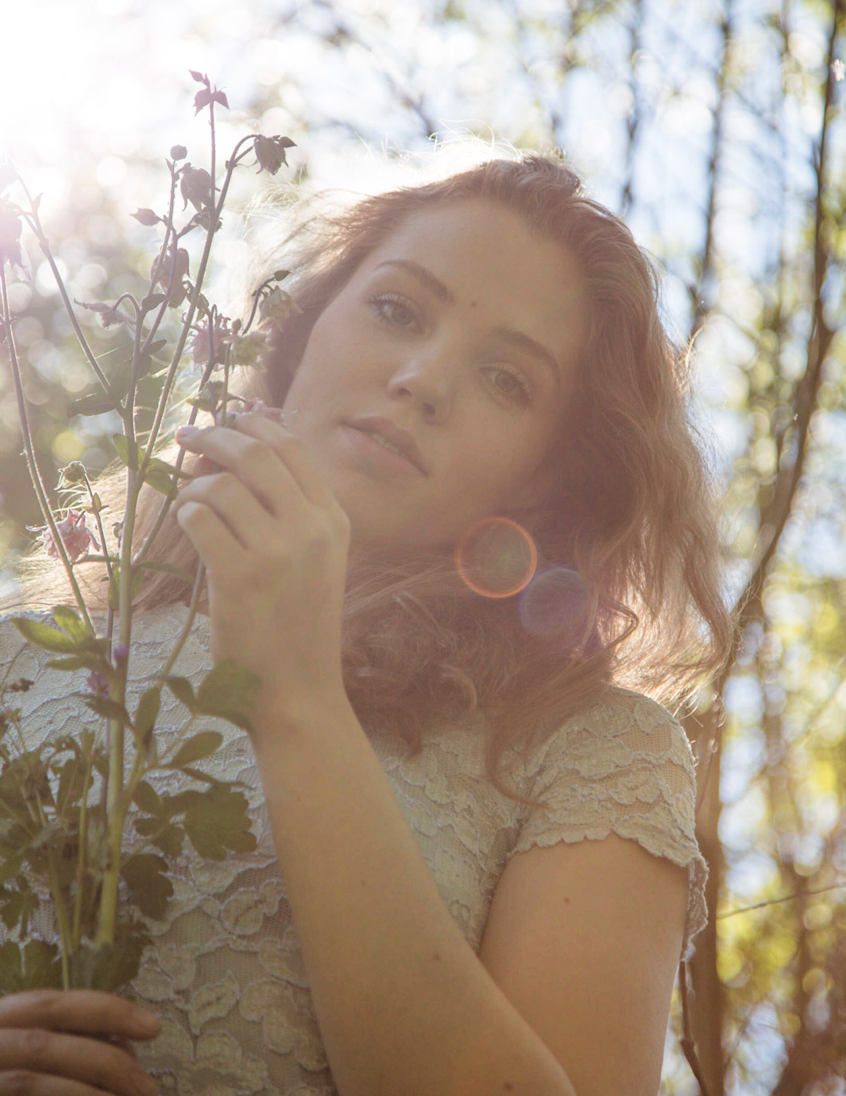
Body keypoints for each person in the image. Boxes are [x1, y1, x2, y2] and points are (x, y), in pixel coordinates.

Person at [0, 147, 732, 1096]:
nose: (424, 378)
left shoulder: (592, 751)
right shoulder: (20, 659)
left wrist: (296, 700)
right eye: (397, 310)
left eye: (508, 379)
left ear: (548, 476)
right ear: (302, 334)